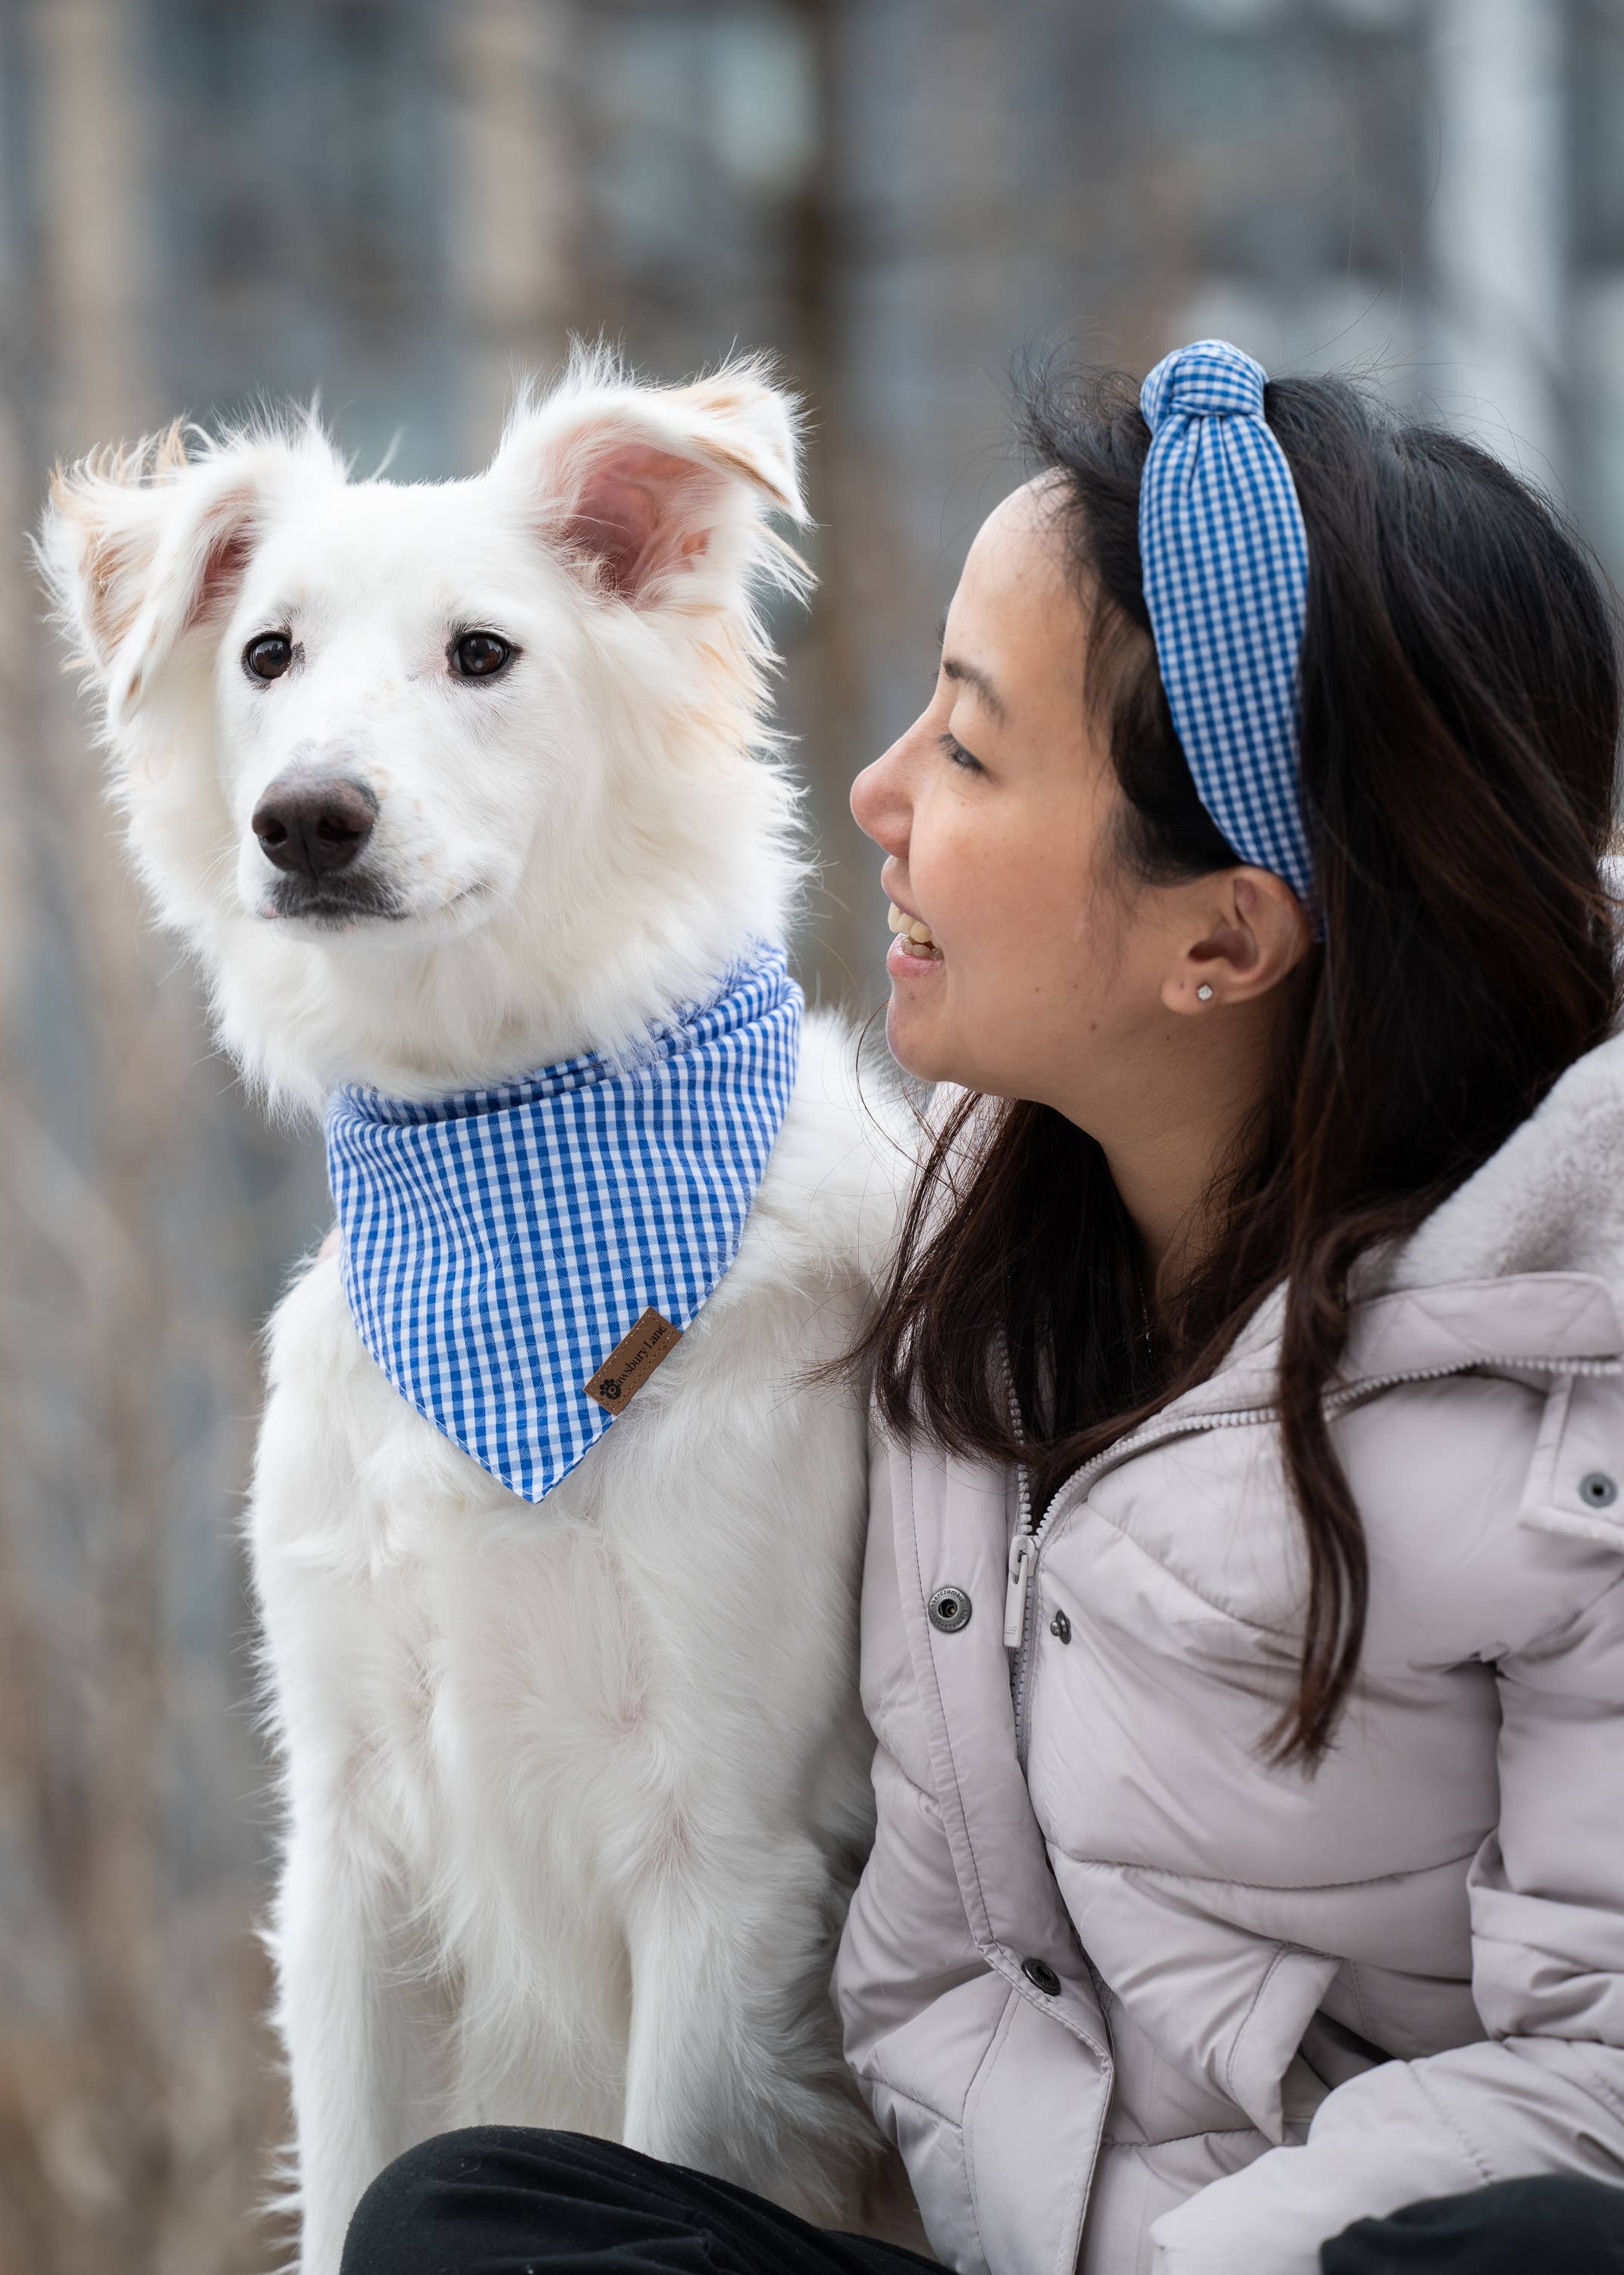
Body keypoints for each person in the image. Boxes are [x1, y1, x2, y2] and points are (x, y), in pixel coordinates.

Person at [340, 343, 1624, 2272]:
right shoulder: (959, 1275)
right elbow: (931, 1972)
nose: (876, 794)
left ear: (1221, 939)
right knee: (472, 2218)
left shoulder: (1576, 1378)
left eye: (967, 747)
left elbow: (1596, 2079)